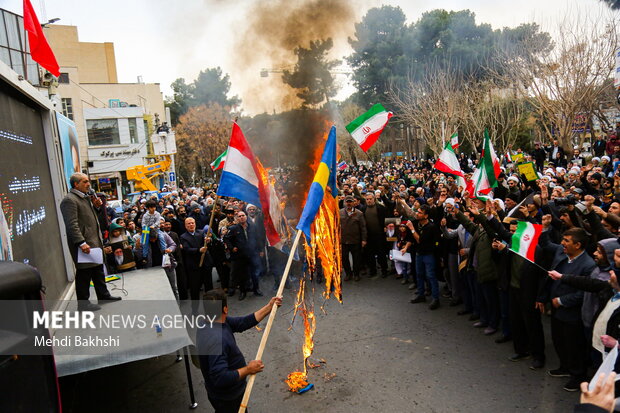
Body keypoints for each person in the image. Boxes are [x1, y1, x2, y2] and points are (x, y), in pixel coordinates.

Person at [197, 289, 282, 413]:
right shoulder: (217, 339)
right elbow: (220, 378)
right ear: (225, 309)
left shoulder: (211, 321)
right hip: (227, 398)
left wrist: (269, 307)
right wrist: (248, 369)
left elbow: (242, 322)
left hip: (220, 394)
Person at [537, 222, 597, 392]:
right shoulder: (560, 253)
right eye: (562, 239)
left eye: (567, 241)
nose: (562, 243)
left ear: (578, 245)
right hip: (556, 310)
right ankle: (564, 367)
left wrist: (562, 301)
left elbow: (583, 293)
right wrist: (545, 228)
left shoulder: (588, 265)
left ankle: (578, 376)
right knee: (559, 340)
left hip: (573, 314)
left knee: (574, 345)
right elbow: (546, 244)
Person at [60, 173, 121, 311]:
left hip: (94, 241)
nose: (88, 184)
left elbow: (90, 218)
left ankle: (103, 295)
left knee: (97, 269)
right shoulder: (69, 200)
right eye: (85, 181)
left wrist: (97, 207)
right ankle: (83, 304)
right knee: (84, 273)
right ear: (76, 184)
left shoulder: (85, 197)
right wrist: (81, 243)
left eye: (88, 181)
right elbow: (72, 225)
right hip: (84, 244)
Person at [224, 211, 263, 300]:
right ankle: (243, 291)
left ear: (246, 216)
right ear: (237, 218)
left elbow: (258, 238)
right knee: (242, 275)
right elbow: (226, 238)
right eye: (239, 216)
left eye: (243, 215)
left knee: (255, 273)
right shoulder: (233, 228)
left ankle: (256, 289)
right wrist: (232, 248)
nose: (241, 217)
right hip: (240, 256)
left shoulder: (252, 226)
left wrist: (260, 250)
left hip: (252, 254)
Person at [181, 217, 213, 310]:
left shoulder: (201, 232)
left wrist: (208, 241)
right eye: (189, 224)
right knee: (195, 289)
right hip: (194, 266)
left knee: (209, 288)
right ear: (185, 226)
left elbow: (208, 244)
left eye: (192, 223)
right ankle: (195, 310)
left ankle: (211, 309)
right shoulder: (183, 237)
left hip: (205, 264)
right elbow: (187, 249)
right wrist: (198, 250)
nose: (191, 225)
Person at [340, 195, 367, 281]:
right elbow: (336, 227)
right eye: (347, 202)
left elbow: (363, 227)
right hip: (343, 240)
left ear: (353, 203)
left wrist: (364, 239)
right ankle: (348, 274)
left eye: (350, 202)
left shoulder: (359, 213)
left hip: (355, 240)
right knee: (344, 259)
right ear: (345, 203)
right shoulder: (339, 212)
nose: (348, 203)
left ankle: (356, 274)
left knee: (356, 259)